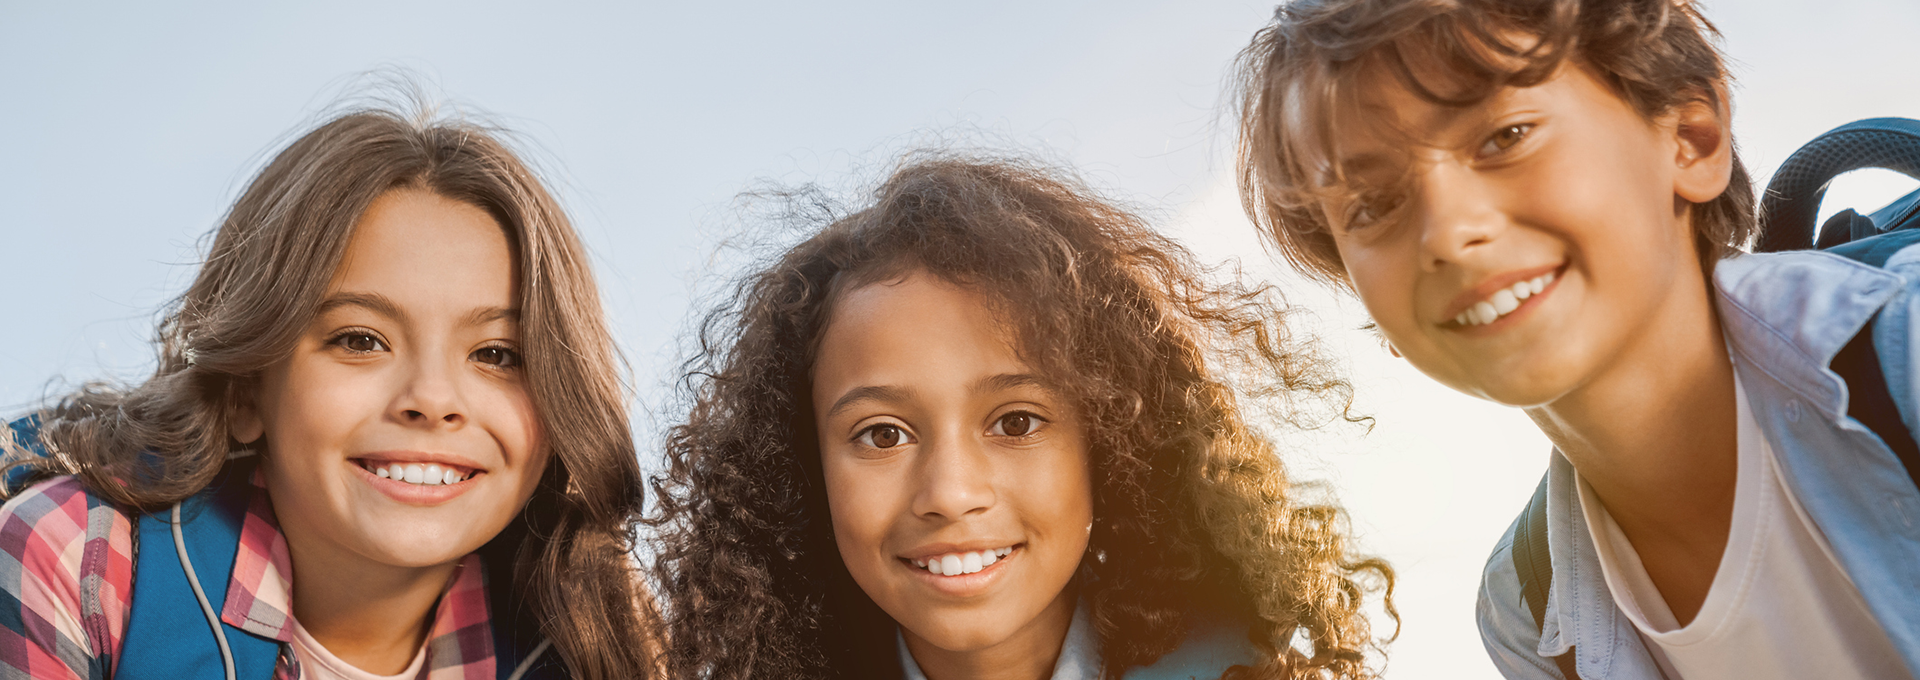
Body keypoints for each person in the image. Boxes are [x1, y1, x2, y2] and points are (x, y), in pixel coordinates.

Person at [1233, 0, 1920, 678]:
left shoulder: (1906, 347)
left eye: (1506, 136)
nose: (1446, 233)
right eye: (1373, 207)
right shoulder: (1525, 614)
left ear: (1691, 136)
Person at [646, 155, 1394, 680]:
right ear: (801, 473)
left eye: (1015, 422)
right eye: (883, 434)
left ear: (1112, 443)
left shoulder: (1247, 670)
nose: (951, 492)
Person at [0, 105, 657, 679]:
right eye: (361, 340)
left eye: (496, 354)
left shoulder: (597, 631)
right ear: (246, 392)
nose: (432, 399)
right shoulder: (79, 561)